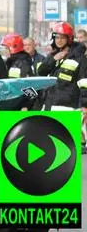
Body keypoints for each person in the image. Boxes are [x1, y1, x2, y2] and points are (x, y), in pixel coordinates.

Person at [38, 22, 87, 154]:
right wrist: (54, 59)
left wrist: (84, 105)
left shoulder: (79, 58)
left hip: (67, 106)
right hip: (50, 103)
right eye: (57, 37)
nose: (59, 41)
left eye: (62, 37)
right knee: (49, 147)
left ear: (69, 39)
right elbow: (40, 72)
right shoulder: (54, 55)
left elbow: (84, 82)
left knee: (64, 149)